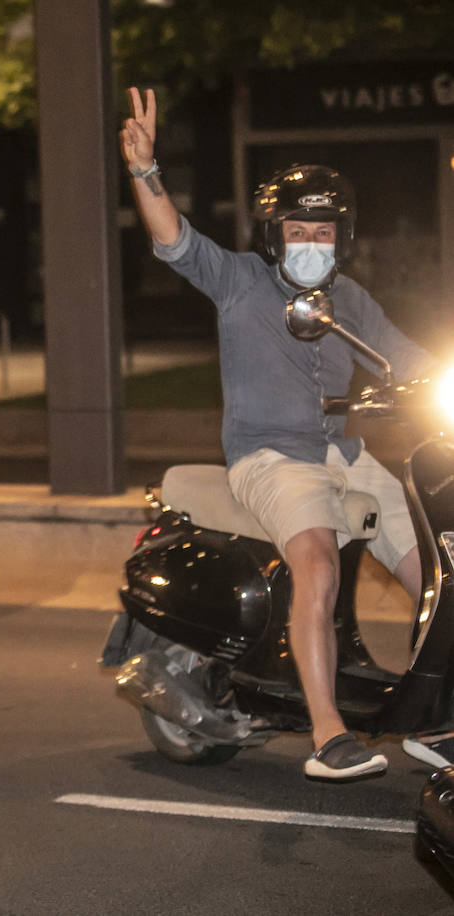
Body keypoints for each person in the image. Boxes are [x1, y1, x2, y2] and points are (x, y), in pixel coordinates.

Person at [119, 87, 439, 781]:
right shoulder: (239, 283)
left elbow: (410, 357)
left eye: (323, 234)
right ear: (276, 235)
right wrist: (147, 170)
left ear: (341, 239)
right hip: (270, 457)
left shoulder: (350, 302)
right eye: (298, 231)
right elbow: (174, 239)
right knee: (318, 563)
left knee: (441, 569)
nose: (311, 245)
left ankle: (436, 718)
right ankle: (329, 735)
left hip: (346, 458)